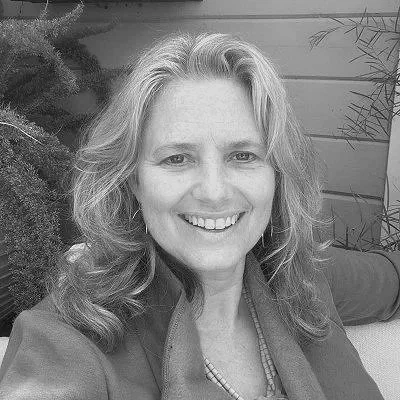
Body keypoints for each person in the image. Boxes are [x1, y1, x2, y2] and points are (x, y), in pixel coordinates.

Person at [0, 32, 400, 400]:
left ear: (277, 175)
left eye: (242, 155)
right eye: (177, 158)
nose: (213, 191)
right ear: (133, 181)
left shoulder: (302, 276)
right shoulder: (66, 342)